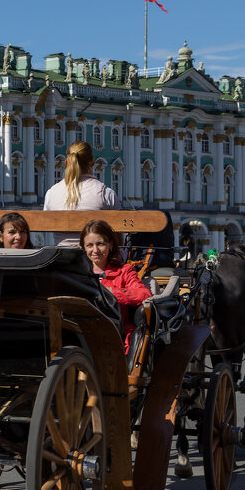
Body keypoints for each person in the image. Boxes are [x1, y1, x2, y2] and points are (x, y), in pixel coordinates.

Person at [81, 219, 150, 353]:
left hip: (115, 334)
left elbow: (144, 294)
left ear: (110, 245)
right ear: (84, 248)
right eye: (90, 245)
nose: (95, 250)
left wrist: (111, 293)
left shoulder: (124, 270)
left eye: (100, 244)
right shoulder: (78, 272)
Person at [43, 141, 119, 245]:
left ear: (66, 162)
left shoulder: (51, 193)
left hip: (61, 257)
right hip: (93, 257)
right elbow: (117, 235)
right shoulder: (106, 193)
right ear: (92, 162)